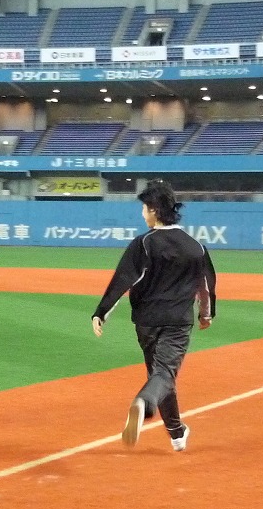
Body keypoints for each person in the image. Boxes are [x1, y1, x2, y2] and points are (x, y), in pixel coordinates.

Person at [92, 181, 217, 452]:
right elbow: (206, 284)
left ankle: (176, 432)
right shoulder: (195, 246)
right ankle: (144, 402)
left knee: (159, 376)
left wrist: (102, 312)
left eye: (144, 208)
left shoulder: (144, 243)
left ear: (153, 210)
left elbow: (123, 278)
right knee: (163, 375)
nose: (142, 213)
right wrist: (206, 314)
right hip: (177, 321)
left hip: (146, 322)